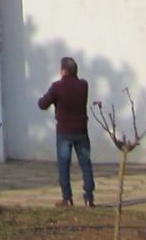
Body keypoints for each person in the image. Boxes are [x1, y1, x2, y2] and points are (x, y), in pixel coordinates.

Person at [37, 56, 94, 207]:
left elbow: (43, 104)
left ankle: (67, 197)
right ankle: (89, 197)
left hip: (64, 132)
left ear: (63, 71)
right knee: (85, 164)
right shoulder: (83, 85)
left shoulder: (57, 87)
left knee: (64, 165)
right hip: (81, 130)